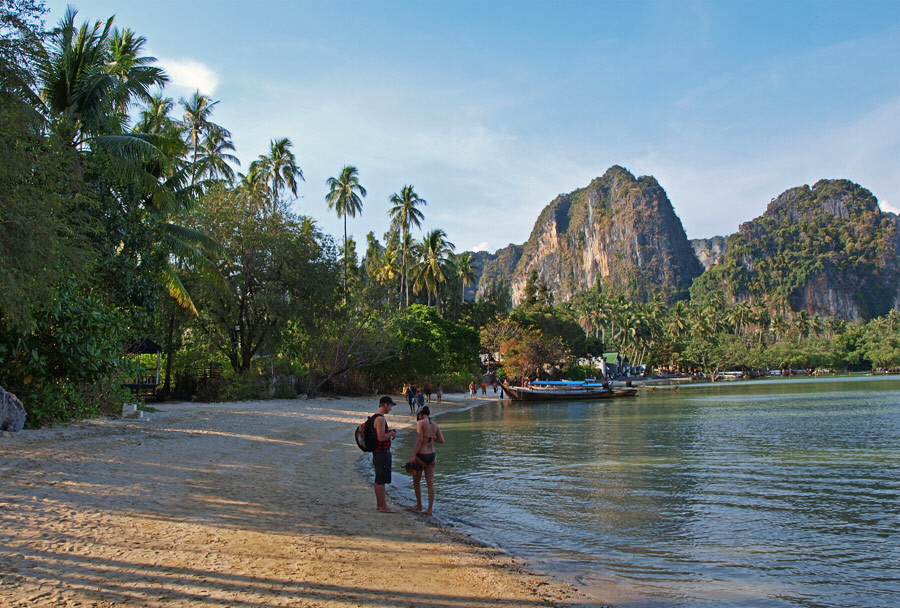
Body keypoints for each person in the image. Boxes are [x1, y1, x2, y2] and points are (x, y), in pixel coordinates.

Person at [407, 406, 444, 515]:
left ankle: (419, 505)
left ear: (420, 414)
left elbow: (419, 440)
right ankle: (430, 509)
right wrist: (431, 439)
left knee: (416, 481)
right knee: (430, 483)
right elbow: (441, 440)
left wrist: (413, 456)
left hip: (421, 456)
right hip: (432, 456)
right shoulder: (435, 424)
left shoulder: (420, 423)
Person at [372, 396, 398, 512]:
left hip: (377, 452)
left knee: (379, 478)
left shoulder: (374, 417)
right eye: (391, 406)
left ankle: (380, 504)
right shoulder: (380, 419)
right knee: (381, 480)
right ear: (385, 405)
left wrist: (388, 432)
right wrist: (391, 433)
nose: (391, 408)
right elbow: (381, 437)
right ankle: (383, 506)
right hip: (382, 452)